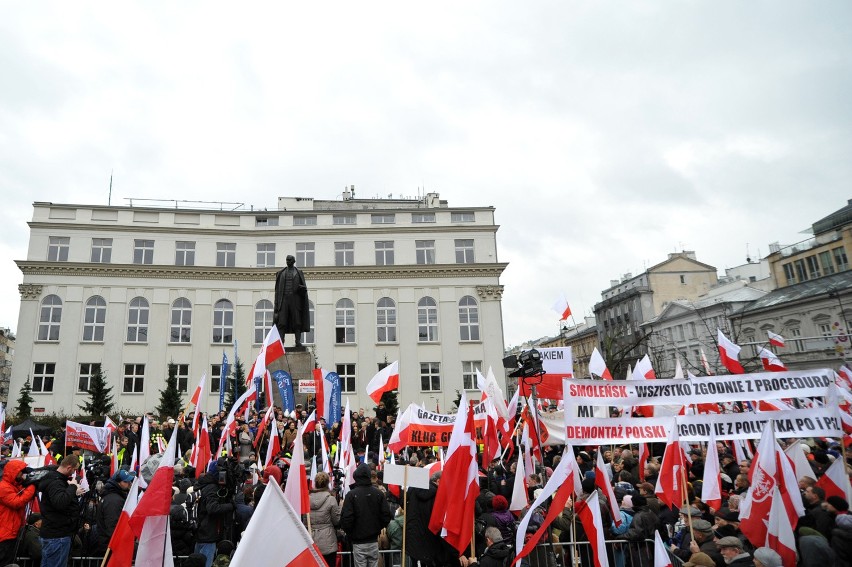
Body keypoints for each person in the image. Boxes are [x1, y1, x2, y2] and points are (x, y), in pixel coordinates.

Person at [37, 455, 86, 567]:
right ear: (69, 467)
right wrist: (72, 487)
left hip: (54, 534)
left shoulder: (56, 479)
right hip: (57, 536)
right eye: (74, 469)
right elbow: (60, 502)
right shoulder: (56, 482)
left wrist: (73, 492)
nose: (74, 472)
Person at [341, 463, 392, 567]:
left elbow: (346, 519)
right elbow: (386, 516)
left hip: (359, 541)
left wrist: (352, 532)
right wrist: (377, 527)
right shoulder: (378, 493)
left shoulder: (351, 495)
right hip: (372, 540)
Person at [0, 459, 38, 566]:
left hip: (11, 532)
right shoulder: (3, 487)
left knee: (9, 562)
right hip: (4, 534)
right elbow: (17, 502)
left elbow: (24, 496)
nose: (23, 475)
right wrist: (32, 485)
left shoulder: (14, 486)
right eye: (21, 472)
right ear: (14, 472)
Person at [92, 469, 136, 556]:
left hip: (109, 545)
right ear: (118, 483)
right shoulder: (114, 501)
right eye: (126, 481)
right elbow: (113, 526)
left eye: (130, 481)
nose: (130, 483)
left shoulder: (113, 497)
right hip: (111, 548)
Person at [273, 254, 309, 346]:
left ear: (293, 261)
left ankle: (297, 342)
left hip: (295, 300)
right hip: (283, 300)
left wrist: (302, 289)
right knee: (282, 322)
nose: (287, 261)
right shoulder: (280, 273)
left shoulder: (299, 273)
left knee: (297, 321)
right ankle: (281, 342)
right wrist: (276, 307)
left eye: (289, 260)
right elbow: (277, 292)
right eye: (287, 260)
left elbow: (304, 288)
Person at [308, 472, 341, 567]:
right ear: (327, 483)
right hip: (328, 541)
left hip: (311, 540)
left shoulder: (306, 499)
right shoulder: (331, 499)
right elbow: (336, 521)